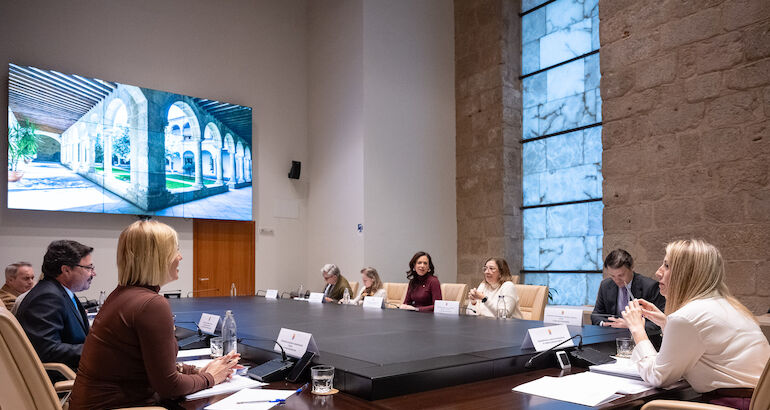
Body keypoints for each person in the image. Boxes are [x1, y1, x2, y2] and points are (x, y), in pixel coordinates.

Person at [69, 220, 239, 409]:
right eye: (175, 250)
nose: (180, 257)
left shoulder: (121, 295)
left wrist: (196, 371)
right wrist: (210, 377)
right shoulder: (151, 305)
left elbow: (145, 366)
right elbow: (169, 386)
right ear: (157, 257)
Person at [622, 239, 770, 410]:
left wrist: (637, 330)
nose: (658, 272)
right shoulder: (729, 306)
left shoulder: (687, 317)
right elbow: (704, 345)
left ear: (687, 274)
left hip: (733, 404)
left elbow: (658, 377)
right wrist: (666, 323)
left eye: (667, 266)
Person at [15, 240, 95, 373]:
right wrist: (96, 350)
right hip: (65, 377)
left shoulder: (61, 292)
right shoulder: (47, 297)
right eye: (89, 268)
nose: (93, 273)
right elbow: (47, 350)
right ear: (66, 270)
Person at [591, 249, 665, 338]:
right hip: (611, 338)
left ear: (631, 267)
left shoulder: (650, 286)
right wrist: (606, 323)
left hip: (644, 340)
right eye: (612, 276)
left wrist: (631, 325)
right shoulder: (605, 285)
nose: (617, 280)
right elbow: (596, 315)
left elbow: (659, 323)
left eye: (621, 275)